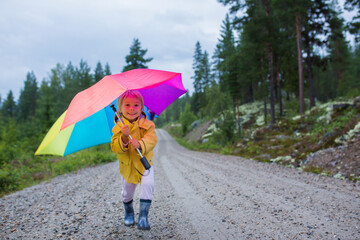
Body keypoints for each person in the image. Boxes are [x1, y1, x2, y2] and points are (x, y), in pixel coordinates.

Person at [110, 90, 157, 230]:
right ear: (120, 109)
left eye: (136, 105)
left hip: (144, 163)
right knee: (127, 192)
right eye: (127, 105)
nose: (132, 109)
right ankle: (129, 212)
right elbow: (115, 147)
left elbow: (152, 139)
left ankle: (143, 217)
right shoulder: (118, 128)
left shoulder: (148, 125)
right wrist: (124, 138)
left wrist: (141, 144)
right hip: (128, 166)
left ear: (142, 107)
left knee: (148, 185)